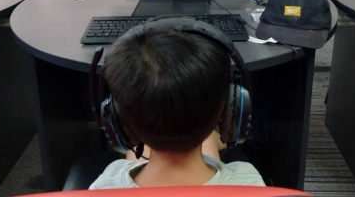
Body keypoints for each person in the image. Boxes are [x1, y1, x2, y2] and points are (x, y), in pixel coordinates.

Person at [90, 25, 265, 188]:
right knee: (210, 140)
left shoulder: (106, 184)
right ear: (228, 110)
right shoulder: (249, 181)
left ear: (119, 117)